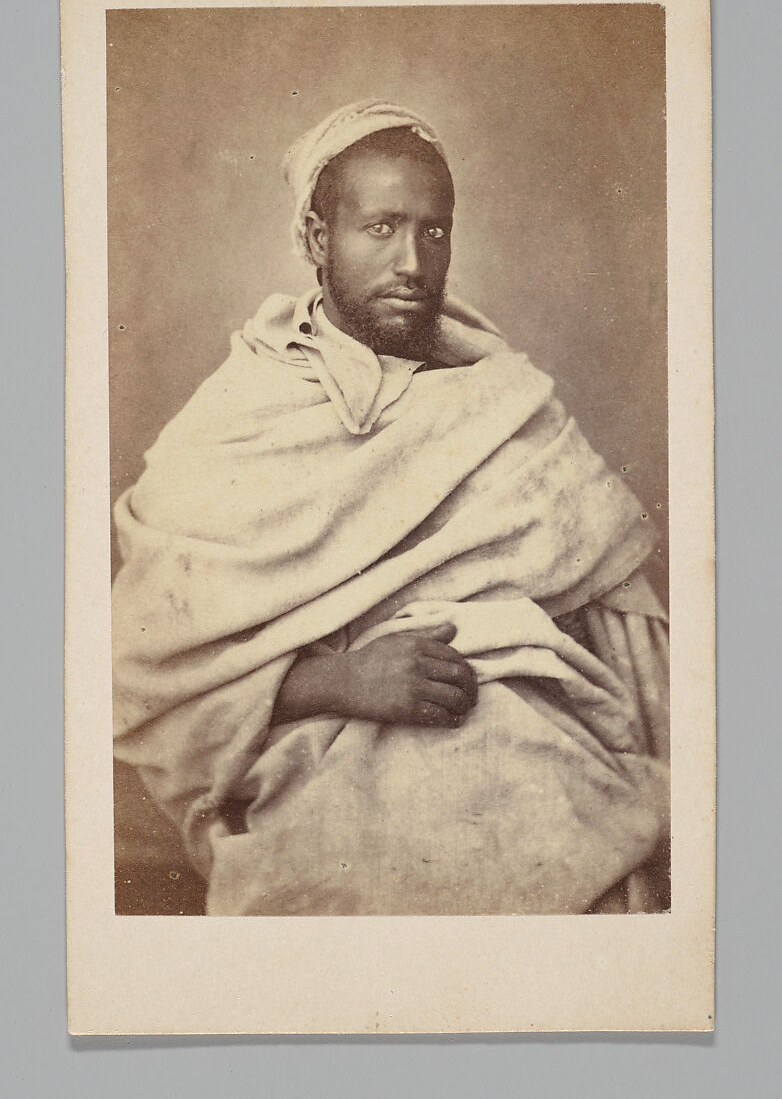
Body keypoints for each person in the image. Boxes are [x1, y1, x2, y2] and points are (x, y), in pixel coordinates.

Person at [112, 99, 670, 916]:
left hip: (523, 722)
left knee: (572, 840)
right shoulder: (241, 414)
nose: (412, 260)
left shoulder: (501, 397)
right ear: (316, 240)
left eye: (433, 231)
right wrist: (342, 680)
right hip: (319, 745)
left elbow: (619, 615)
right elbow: (147, 666)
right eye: (380, 229)